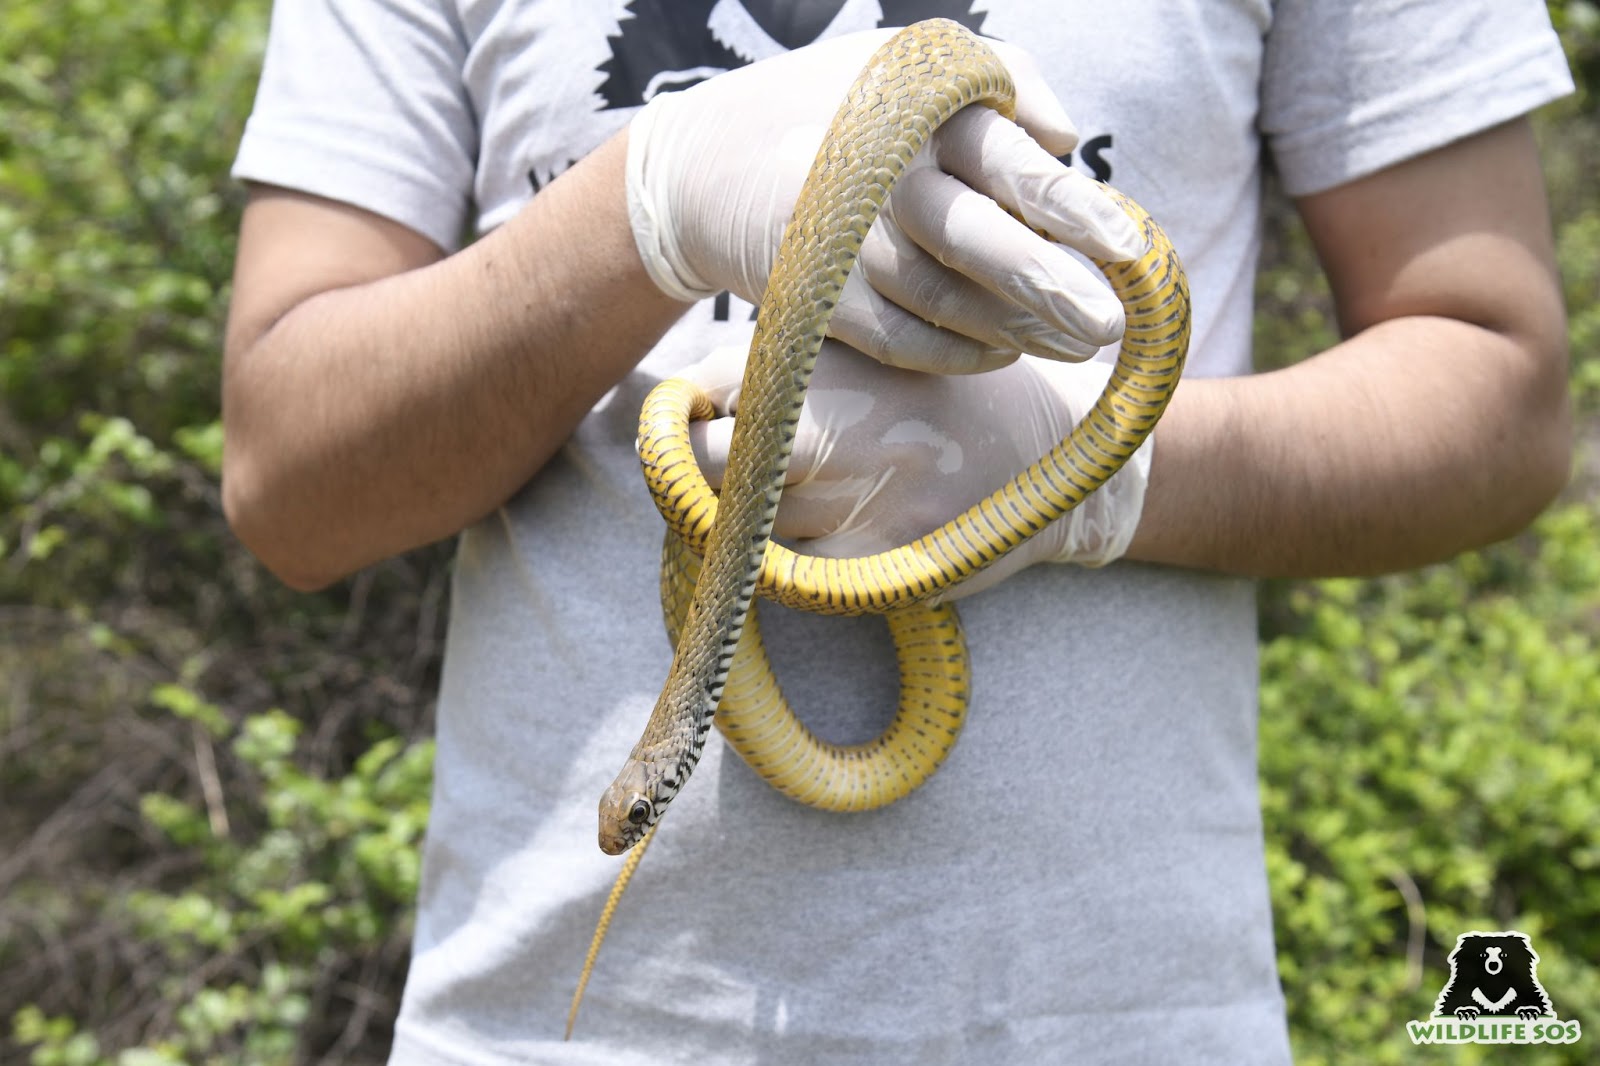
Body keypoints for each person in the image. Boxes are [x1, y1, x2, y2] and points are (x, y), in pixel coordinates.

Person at [221, 2, 1573, 1063]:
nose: (628, 814)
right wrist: (646, 204)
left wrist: (1093, 468)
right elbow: (288, 484)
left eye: (635, 801)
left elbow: (1502, 401)